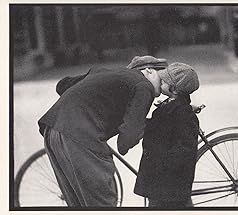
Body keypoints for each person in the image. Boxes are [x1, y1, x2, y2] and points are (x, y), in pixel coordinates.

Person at [37, 55, 168, 207]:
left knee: (79, 204)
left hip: (52, 128)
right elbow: (128, 138)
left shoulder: (107, 73)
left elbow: (62, 85)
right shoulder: (144, 85)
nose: (165, 84)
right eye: (162, 77)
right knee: (103, 203)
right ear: (149, 71)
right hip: (81, 135)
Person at [134, 62, 200, 208]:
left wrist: (164, 163)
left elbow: (186, 148)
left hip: (169, 181)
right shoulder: (171, 106)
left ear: (174, 90)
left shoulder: (183, 113)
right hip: (161, 180)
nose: (160, 81)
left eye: (164, 81)